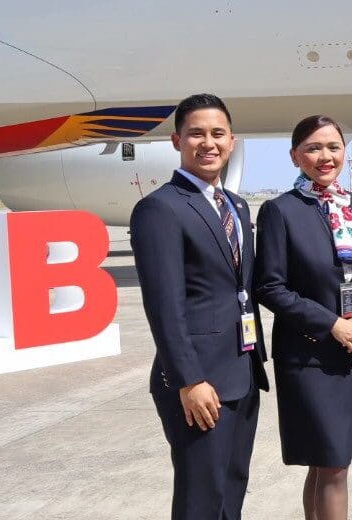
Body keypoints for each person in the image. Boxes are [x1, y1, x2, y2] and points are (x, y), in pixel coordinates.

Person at [130, 93, 269, 520]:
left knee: (231, 489)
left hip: (242, 370)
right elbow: (164, 306)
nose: (207, 143)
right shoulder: (160, 209)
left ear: (232, 141)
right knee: (200, 499)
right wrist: (189, 380)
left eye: (217, 134)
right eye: (196, 134)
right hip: (199, 382)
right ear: (177, 141)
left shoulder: (236, 205)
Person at [253, 115, 352, 520]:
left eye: (333, 147)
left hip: (351, 350)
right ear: (295, 156)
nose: (324, 157)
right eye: (312, 148)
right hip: (309, 354)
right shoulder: (280, 211)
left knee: (327, 460)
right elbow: (270, 287)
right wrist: (332, 324)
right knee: (333, 463)